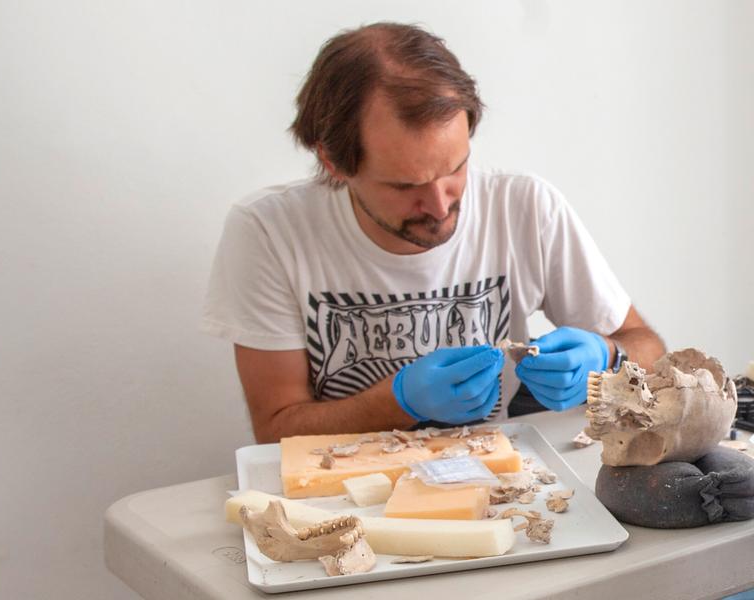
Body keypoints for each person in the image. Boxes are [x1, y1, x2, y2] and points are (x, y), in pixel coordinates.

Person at [202, 22, 665, 443]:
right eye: (405, 186)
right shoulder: (268, 231)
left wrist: (607, 358)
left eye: (455, 169)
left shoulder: (525, 207)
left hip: (505, 492)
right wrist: (397, 402)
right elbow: (275, 428)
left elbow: (646, 346)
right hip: (343, 500)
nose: (440, 206)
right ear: (333, 162)